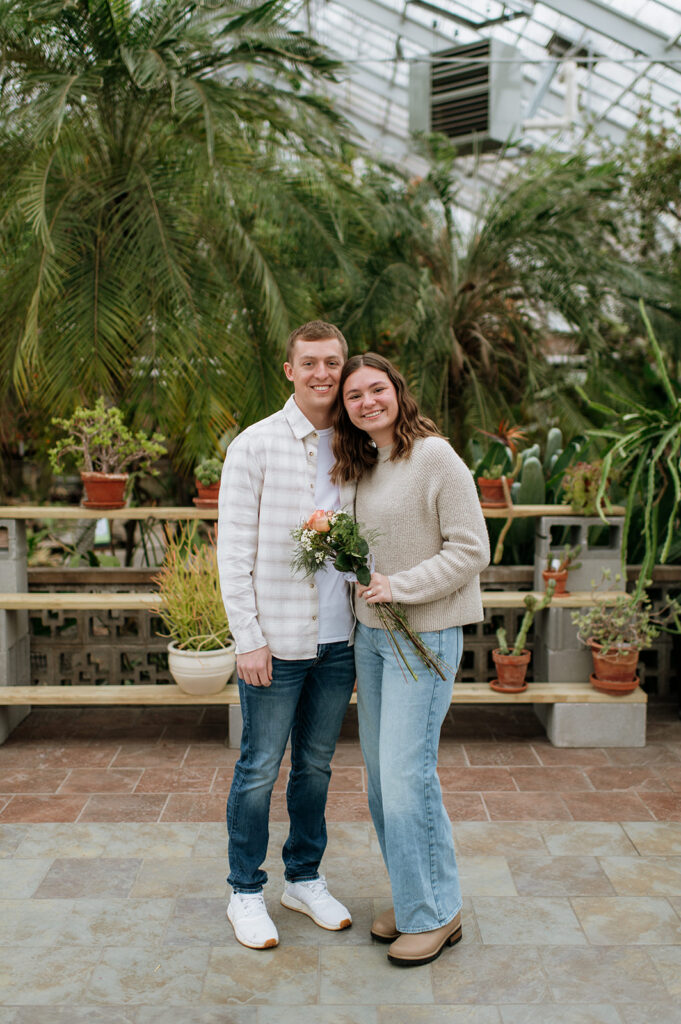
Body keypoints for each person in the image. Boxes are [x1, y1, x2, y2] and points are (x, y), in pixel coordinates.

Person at [331, 353, 490, 967]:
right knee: (381, 783)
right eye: (354, 396)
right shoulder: (364, 465)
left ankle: (434, 915)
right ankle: (415, 892)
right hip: (372, 639)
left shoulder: (435, 457)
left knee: (406, 780)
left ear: (398, 390)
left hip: (423, 637)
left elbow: (471, 548)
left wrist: (401, 586)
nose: (367, 402)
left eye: (377, 389)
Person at [217, 321, 356, 950]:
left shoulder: (360, 447)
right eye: (311, 362)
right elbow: (234, 553)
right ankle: (245, 891)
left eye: (332, 362)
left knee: (317, 768)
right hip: (274, 642)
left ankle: (303, 878)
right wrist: (247, 637)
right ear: (289, 369)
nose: (322, 373)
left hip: (340, 641)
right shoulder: (254, 445)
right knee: (258, 769)